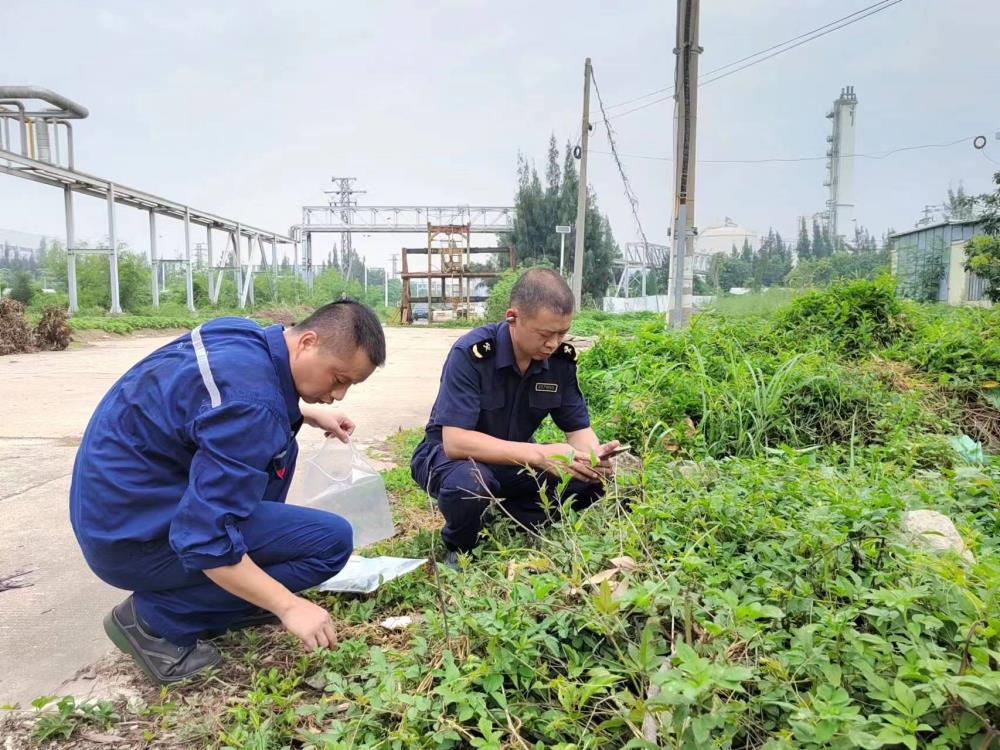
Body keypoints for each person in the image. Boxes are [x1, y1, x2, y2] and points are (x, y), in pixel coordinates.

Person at [69, 300, 385, 684]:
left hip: (115, 509)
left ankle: (235, 589)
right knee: (329, 543)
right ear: (307, 342)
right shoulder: (254, 408)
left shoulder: (242, 334)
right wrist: (287, 605)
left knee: (280, 444)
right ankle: (155, 620)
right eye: (338, 378)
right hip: (134, 540)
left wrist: (303, 412)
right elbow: (204, 539)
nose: (339, 395)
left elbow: (214, 404)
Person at [410, 268, 619, 565]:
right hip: (450, 459)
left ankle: (518, 519)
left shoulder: (559, 363)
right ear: (513, 317)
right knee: (470, 483)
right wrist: (541, 453)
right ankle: (461, 549)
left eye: (562, 333)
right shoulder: (472, 354)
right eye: (545, 334)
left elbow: (578, 430)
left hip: (515, 461)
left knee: (589, 481)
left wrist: (593, 458)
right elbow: (455, 442)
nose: (553, 344)